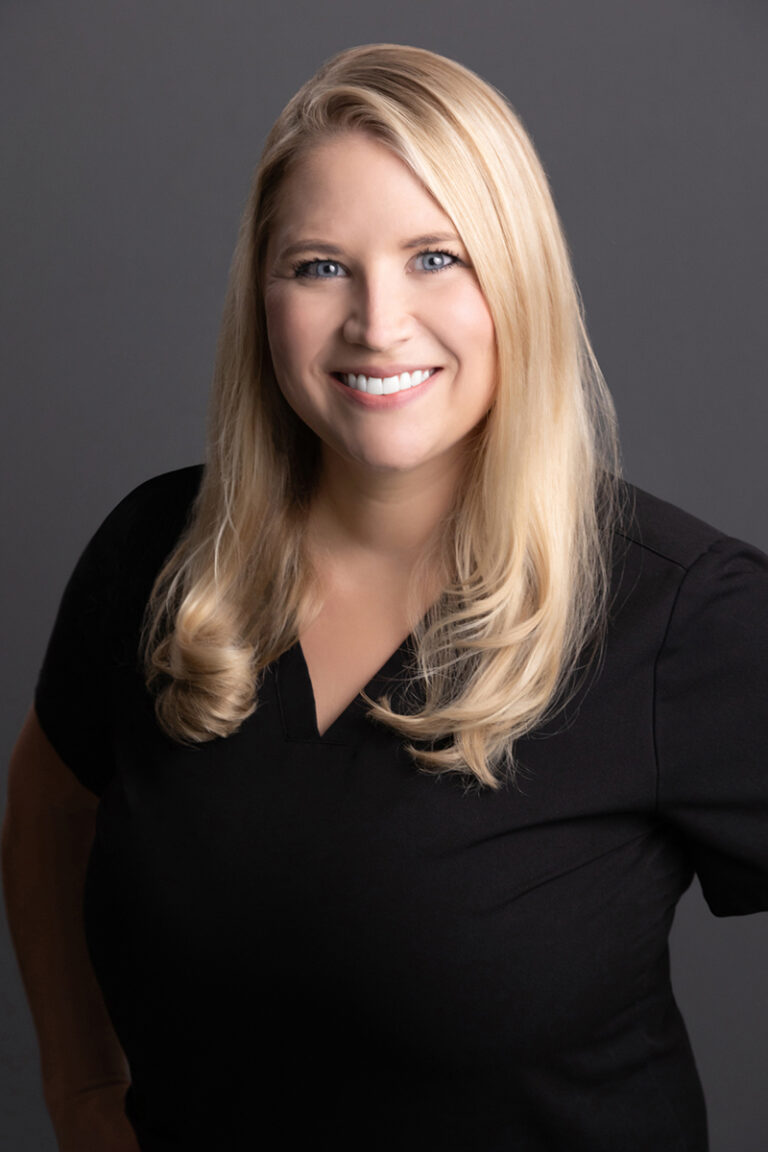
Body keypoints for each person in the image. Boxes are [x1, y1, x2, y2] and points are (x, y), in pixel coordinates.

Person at [3, 42, 767, 1152]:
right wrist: (81, 1097)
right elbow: (47, 805)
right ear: (262, 294)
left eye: (436, 258)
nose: (378, 321)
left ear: (520, 278)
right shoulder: (156, 557)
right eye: (320, 266)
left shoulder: (681, 614)